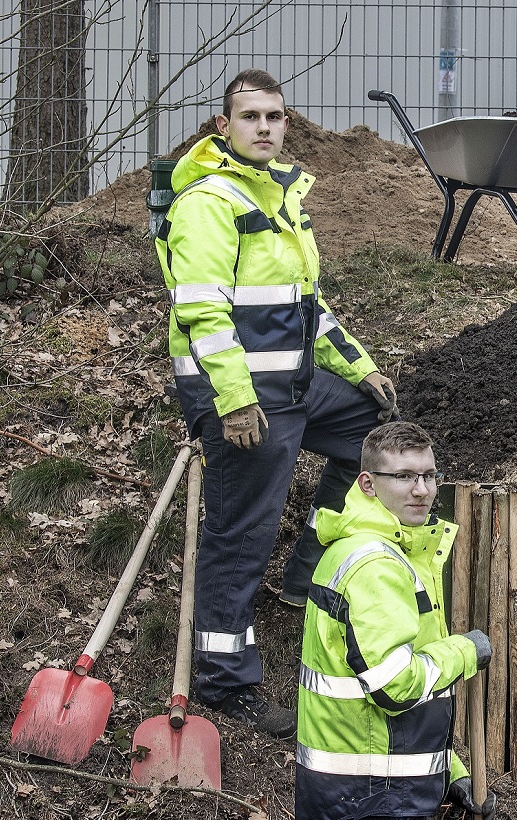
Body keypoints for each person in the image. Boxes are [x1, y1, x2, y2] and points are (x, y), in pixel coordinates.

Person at [155, 69, 399, 737]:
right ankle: (222, 679)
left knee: (373, 441)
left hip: (295, 385)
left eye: (275, 116)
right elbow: (203, 313)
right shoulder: (210, 201)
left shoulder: (284, 196)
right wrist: (232, 403)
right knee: (240, 535)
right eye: (250, 116)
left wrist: (361, 369)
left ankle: (305, 574)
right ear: (223, 127)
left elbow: (305, 309)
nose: (265, 127)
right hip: (241, 397)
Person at [295, 421, 494, 820]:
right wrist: (465, 651)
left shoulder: (391, 550)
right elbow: (395, 683)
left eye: (428, 475)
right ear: (368, 483)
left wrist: (450, 771)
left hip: (383, 782)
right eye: (403, 476)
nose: (421, 489)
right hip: (377, 791)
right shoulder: (374, 564)